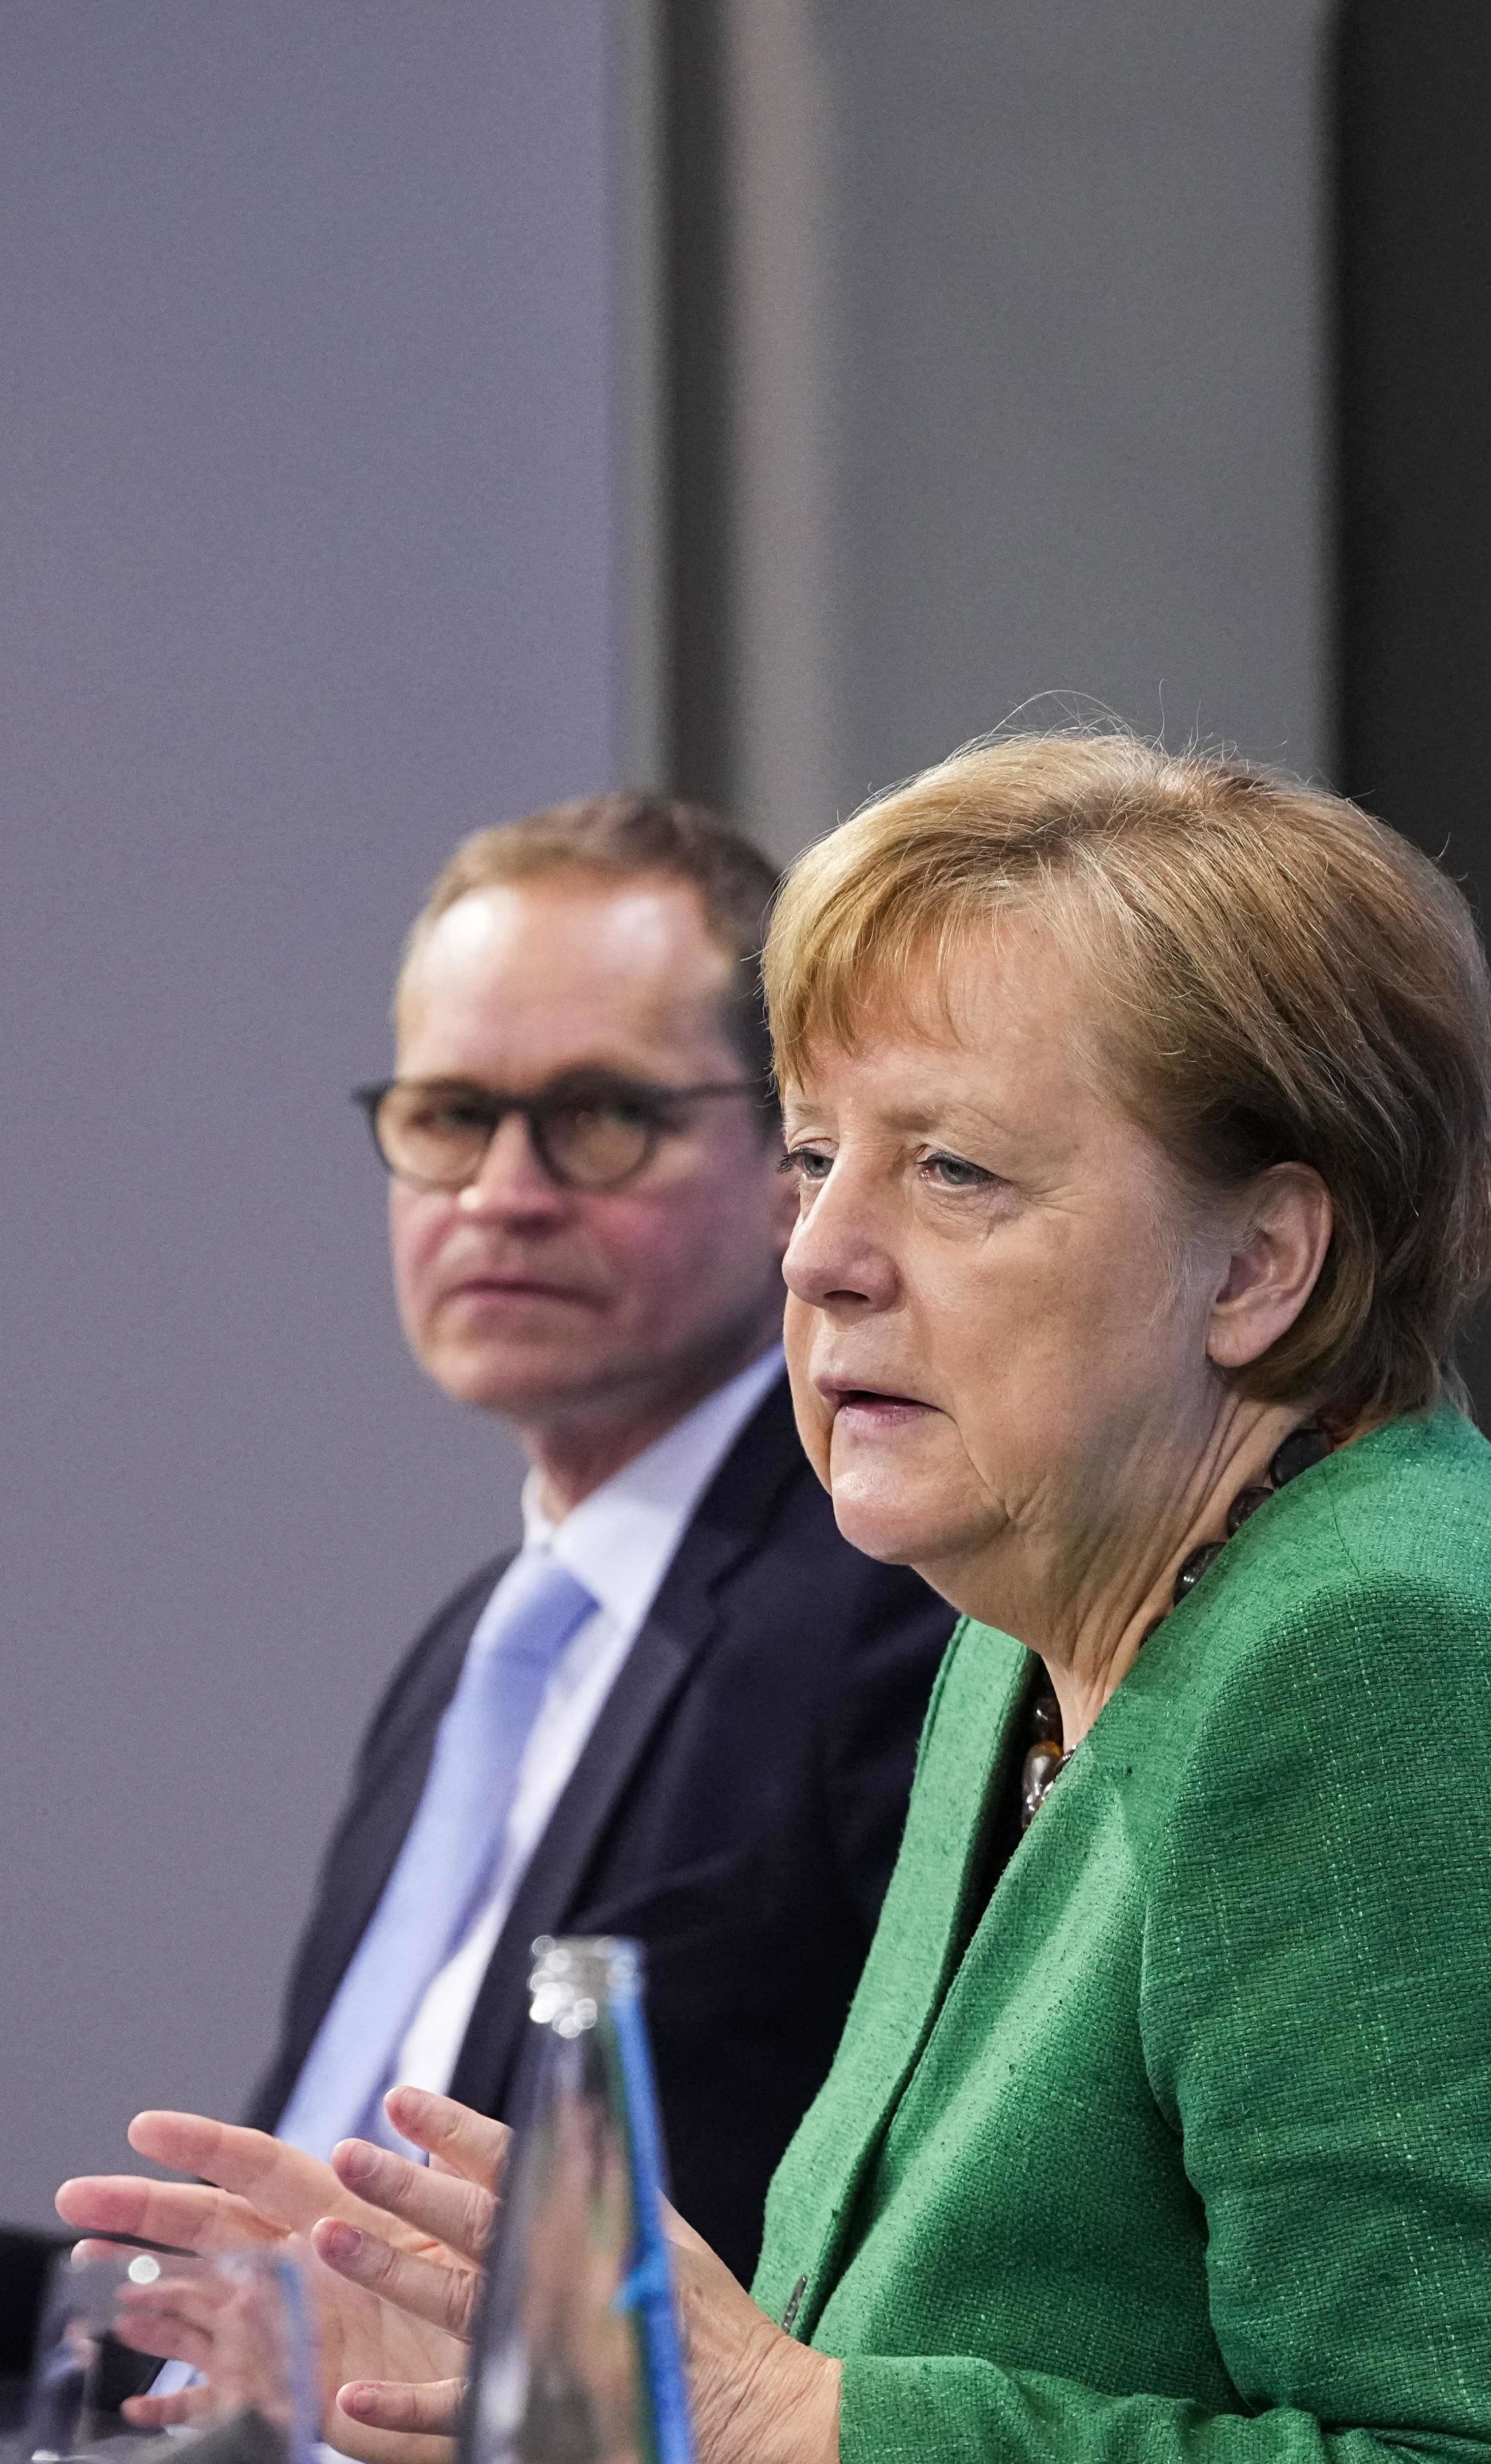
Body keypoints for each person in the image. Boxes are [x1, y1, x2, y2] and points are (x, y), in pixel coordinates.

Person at [68, 734, 1491, 2464]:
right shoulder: (1027, 1628)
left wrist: (793, 2419)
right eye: (812, 1158)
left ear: (1260, 1262)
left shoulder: (1386, 1671)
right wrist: (551, 2394)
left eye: (950, 1169)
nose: (822, 1256)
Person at [240, 794, 950, 2284]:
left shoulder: (894, 1603)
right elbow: (279, 2278)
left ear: (791, 1169)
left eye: (599, 1116)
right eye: (447, 1117)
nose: (502, 1195)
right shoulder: (471, 1654)